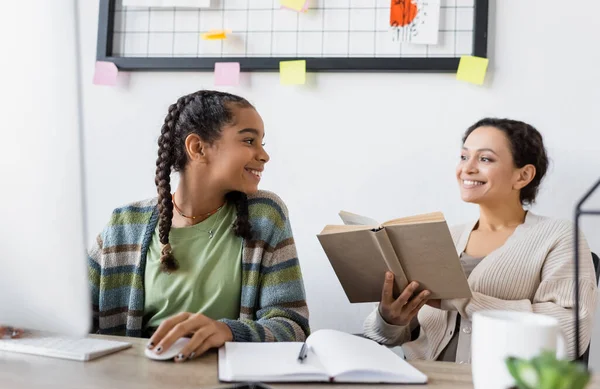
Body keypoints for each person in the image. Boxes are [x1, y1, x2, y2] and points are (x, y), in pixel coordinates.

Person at [87, 90, 310, 362]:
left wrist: (229, 331)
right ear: (198, 148)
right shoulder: (124, 225)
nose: (264, 155)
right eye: (249, 140)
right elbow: (72, 314)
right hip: (136, 385)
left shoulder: (264, 215)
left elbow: (293, 327)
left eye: (262, 143)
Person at [363, 118, 597, 362]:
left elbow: (570, 332)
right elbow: (386, 336)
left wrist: (462, 300)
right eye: (464, 157)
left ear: (523, 175)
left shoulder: (558, 236)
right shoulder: (443, 237)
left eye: (485, 159)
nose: (467, 168)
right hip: (422, 385)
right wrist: (392, 319)